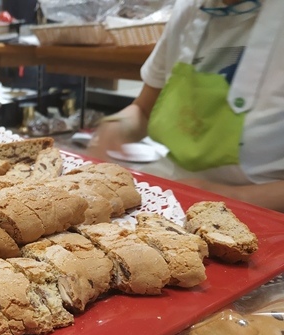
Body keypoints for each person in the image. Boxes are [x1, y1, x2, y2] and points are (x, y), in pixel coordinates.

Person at [87, 0, 284, 212]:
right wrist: (119, 126)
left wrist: (231, 196)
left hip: (261, 210)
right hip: (173, 191)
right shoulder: (189, 10)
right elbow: (143, 110)